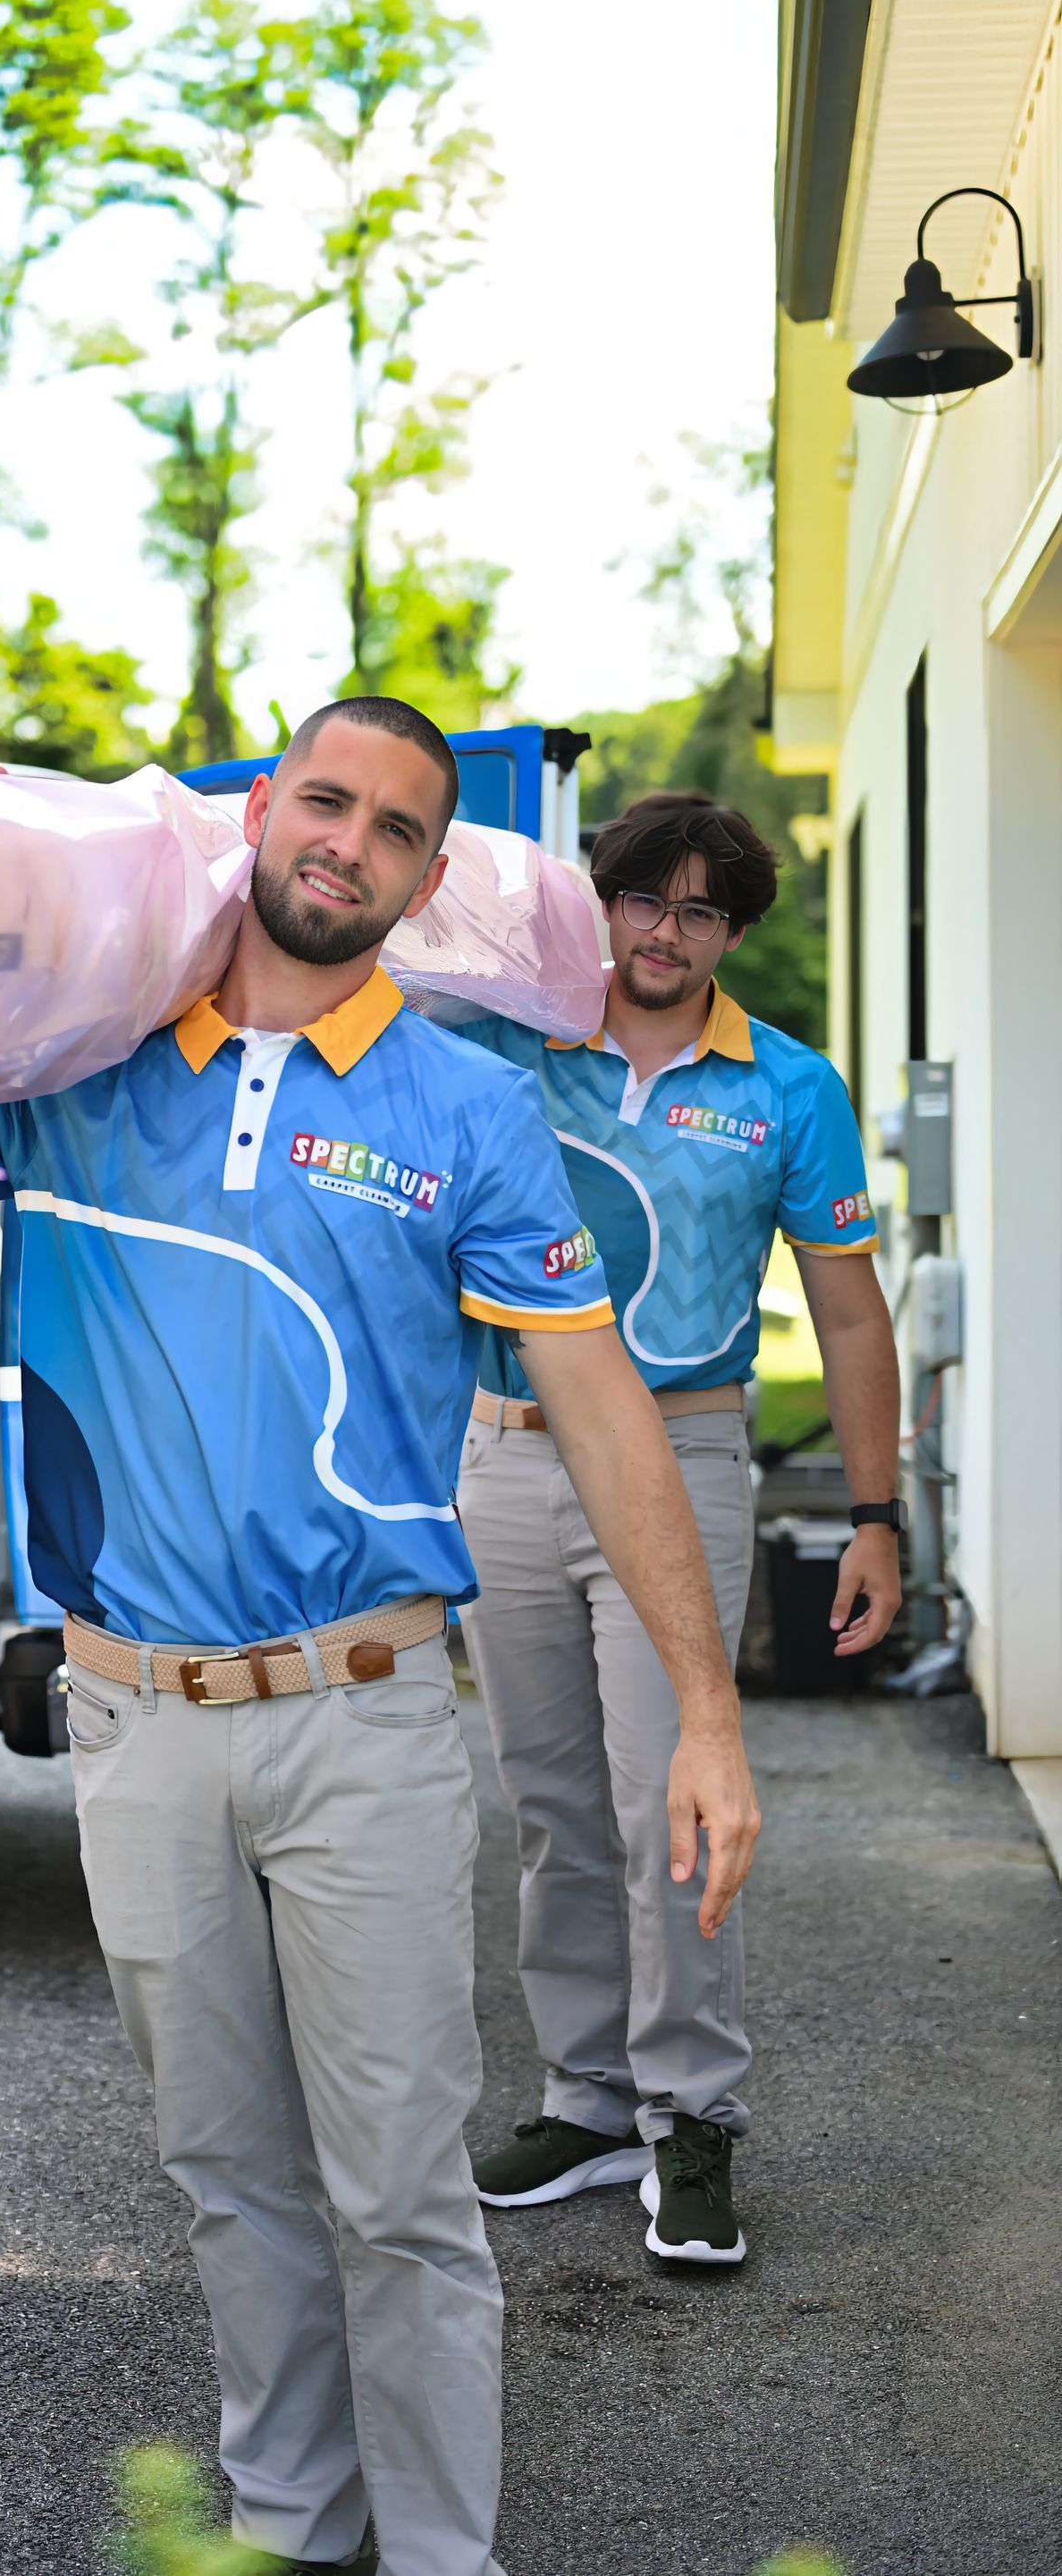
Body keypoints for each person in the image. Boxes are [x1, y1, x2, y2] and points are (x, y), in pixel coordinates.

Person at [0, 708, 760, 2576]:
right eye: (324, 800)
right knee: (226, 2177)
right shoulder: (76, 1066)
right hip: (134, 1719)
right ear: (259, 815)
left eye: (394, 829)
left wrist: (704, 1707)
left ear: (430, 879)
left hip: (362, 1725)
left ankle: (442, 2553)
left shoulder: (470, 1111)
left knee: (404, 2197)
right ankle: (287, 2523)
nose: (347, 842)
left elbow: (598, 1406)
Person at [454, 791, 901, 2267]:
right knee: (554, 1803)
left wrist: (878, 1513)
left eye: (702, 910)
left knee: (678, 1801)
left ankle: (692, 2114)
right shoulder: (514, 1042)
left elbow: (847, 1314)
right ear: (605, 903)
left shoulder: (786, 1087)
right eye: (644, 898)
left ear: (732, 932)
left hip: (689, 1448)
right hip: (509, 1450)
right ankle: (586, 2098)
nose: (665, 931)